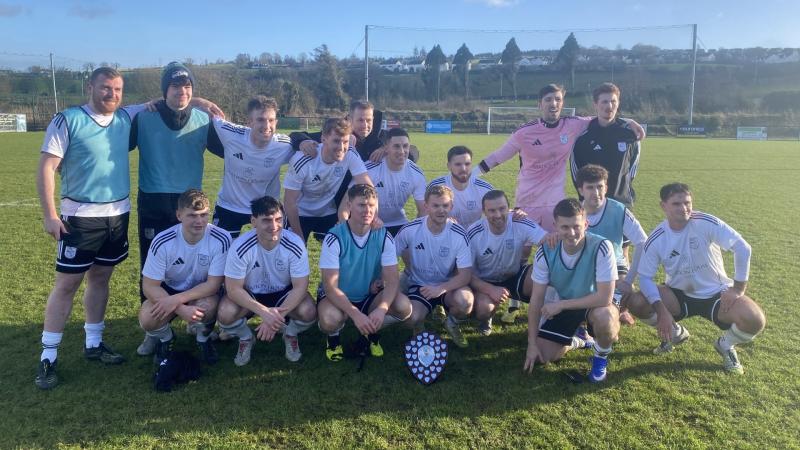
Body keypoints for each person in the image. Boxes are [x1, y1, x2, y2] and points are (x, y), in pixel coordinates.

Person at [34, 67, 152, 390]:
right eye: (105, 88)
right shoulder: (67, 119)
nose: (111, 94)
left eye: (117, 89)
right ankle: (48, 356)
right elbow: (46, 166)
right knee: (66, 285)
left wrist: (200, 101)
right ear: (91, 87)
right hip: (80, 219)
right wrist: (50, 215)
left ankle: (93, 343)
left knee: (101, 278)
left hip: (117, 215)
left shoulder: (126, 117)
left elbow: (163, 101)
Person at [627, 183, 766, 374]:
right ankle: (675, 334)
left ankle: (725, 345)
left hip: (717, 294)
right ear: (663, 206)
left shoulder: (705, 222)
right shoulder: (657, 237)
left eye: (687, 202)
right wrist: (662, 311)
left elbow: (743, 247)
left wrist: (737, 289)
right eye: (676, 204)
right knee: (637, 302)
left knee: (755, 319)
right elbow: (645, 278)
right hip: (679, 295)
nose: (684, 208)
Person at [476, 84, 644, 232]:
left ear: (562, 103)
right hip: (527, 202)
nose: (553, 103)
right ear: (540, 104)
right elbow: (497, 157)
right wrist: (470, 176)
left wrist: (628, 121)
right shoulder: (524, 133)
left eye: (558, 99)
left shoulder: (572, 125)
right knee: (523, 251)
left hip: (555, 203)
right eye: (548, 99)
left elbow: (603, 116)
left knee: (557, 246)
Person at [130, 61, 223, 299]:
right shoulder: (143, 117)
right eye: (175, 86)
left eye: (187, 86)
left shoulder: (203, 120)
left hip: (190, 203)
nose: (182, 91)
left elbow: (230, 148)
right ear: (165, 90)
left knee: (194, 262)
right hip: (153, 200)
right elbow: (111, 142)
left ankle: (196, 317)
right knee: (151, 261)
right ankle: (154, 322)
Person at [523, 199, 619, 383]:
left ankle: (600, 360)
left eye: (576, 226)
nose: (572, 233)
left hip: (595, 304)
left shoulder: (601, 247)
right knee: (544, 355)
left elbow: (604, 297)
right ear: (555, 226)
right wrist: (532, 344)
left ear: (586, 223)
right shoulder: (545, 251)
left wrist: (561, 305)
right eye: (565, 227)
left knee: (605, 321)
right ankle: (580, 339)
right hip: (565, 304)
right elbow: (536, 300)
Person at [216, 196, 317, 366]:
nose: (274, 226)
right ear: (253, 221)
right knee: (225, 314)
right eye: (267, 221)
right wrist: (264, 313)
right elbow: (233, 289)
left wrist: (275, 318)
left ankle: (290, 333)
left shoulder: (295, 243)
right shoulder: (240, 246)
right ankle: (246, 338)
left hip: (283, 293)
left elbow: (301, 287)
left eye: (278, 219)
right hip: (250, 294)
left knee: (309, 312)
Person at [318, 184, 412, 361]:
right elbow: (330, 287)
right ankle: (333, 339)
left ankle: (370, 331)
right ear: (349, 205)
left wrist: (381, 310)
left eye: (371, 205)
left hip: (369, 296)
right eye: (361, 205)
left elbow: (392, 281)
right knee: (330, 319)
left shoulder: (384, 236)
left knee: (404, 307)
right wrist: (355, 314)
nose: (367, 210)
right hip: (338, 297)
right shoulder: (334, 237)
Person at [137, 190, 231, 365]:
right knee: (148, 319)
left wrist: (176, 302)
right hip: (169, 290)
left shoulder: (221, 238)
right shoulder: (163, 241)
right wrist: (180, 308)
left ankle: (203, 340)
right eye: (192, 216)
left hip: (202, 291)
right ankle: (166, 339)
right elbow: (149, 286)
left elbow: (213, 285)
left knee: (208, 306)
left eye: (204, 215)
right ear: (179, 215)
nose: (199, 221)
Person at [395, 185, 474, 348]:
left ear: (451, 206)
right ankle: (419, 324)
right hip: (420, 285)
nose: (441, 210)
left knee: (465, 302)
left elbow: (465, 275)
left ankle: (451, 323)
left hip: (449, 285)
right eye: (436, 205)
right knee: (410, 319)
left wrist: (441, 288)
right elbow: (389, 258)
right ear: (426, 206)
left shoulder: (459, 234)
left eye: (445, 205)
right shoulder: (410, 229)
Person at [468, 190, 552, 336]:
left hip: (514, 275)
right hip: (485, 281)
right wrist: (490, 289)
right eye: (492, 211)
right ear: (484, 212)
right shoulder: (474, 232)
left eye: (502, 208)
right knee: (483, 310)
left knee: (546, 275)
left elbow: (547, 241)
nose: (498, 214)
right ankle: (486, 318)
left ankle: (549, 317)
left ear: (509, 207)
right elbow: (465, 273)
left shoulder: (520, 221)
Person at [209, 96, 294, 238]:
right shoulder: (230, 133)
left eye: (271, 120)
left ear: (276, 122)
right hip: (229, 206)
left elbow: (306, 141)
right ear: (249, 122)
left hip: (265, 209)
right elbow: (199, 109)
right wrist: (200, 101)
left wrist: (303, 140)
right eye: (260, 120)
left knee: (268, 253)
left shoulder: (284, 145)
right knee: (222, 252)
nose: (267, 126)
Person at [575, 165, 647, 323]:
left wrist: (629, 280)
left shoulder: (619, 210)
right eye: (590, 188)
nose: (596, 193)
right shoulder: (574, 212)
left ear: (606, 187)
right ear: (581, 190)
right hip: (584, 266)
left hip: (614, 265)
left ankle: (620, 309)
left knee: (628, 294)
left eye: (600, 187)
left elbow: (643, 242)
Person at [283, 118, 372, 243]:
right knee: (295, 250)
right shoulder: (303, 160)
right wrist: (298, 236)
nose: (341, 147)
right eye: (336, 141)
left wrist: (372, 218)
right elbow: (289, 202)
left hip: (328, 212)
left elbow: (367, 186)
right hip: (300, 213)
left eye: (345, 141)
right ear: (323, 139)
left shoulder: (350, 153)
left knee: (344, 247)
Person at [291, 100, 384, 206]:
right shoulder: (337, 134)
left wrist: (384, 148)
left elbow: (402, 147)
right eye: (360, 120)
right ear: (349, 119)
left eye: (369, 120)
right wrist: (302, 141)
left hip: (359, 203)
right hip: (332, 203)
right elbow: (296, 135)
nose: (365, 125)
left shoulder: (378, 141)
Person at [570, 83, 641, 208]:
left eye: (613, 101)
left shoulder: (630, 135)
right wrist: (585, 198)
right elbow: (577, 175)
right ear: (595, 104)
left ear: (618, 103)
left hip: (622, 205)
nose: (609, 106)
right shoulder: (582, 138)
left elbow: (632, 170)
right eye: (604, 102)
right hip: (592, 207)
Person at [363, 127, 426, 236]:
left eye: (405, 146)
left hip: (399, 222)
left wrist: (417, 232)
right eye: (396, 146)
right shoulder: (370, 169)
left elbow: (423, 210)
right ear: (386, 148)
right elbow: (353, 201)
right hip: (370, 221)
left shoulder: (416, 173)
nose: (402, 151)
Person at [428, 145, 494, 229]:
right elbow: (426, 216)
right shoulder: (435, 187)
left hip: (473, 237)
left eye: (467, 164)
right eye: (458, 164)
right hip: (445, 237)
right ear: (449, 166)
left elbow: (497, 213)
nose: (463, 168)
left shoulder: (485, 189)